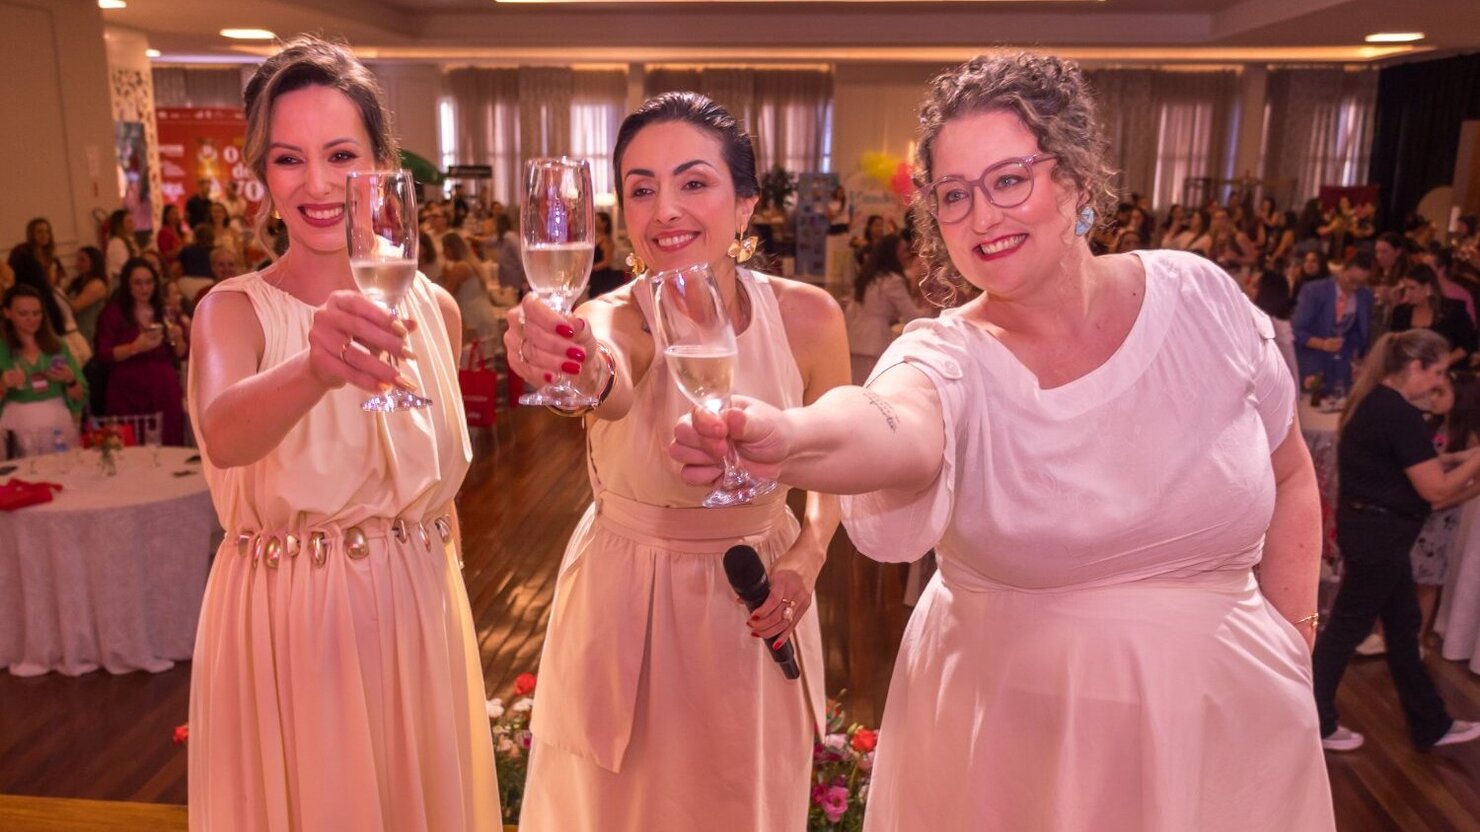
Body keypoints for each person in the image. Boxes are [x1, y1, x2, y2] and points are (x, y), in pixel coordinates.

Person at [671, 52, 1334, 831]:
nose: (983, 216)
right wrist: (789, 434)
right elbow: (891, 425)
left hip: (1230, 733)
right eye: (954, 196)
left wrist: (1294, 644)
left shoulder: (1200, 297)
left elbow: (1291, 473)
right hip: (1017, 752)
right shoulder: (946, 356)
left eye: (1009, 180)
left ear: (1078, 181)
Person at [505, 91, 848, 831]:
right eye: (641, 188)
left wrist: (810, 556)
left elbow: (833, 464)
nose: (665, 209)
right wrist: (572, 366)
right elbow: (606, 380)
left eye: (693, 183)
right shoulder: (615, 316)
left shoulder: (810, 318)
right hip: (629, 605)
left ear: (746, 203)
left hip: (759, 597)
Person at [183, 35, 498, 831]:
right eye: (289, 159)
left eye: (341, 154)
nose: (318, 184)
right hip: (294, 632)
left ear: (384, 166)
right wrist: (313, 370)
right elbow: (223, 434)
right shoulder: (233, 311)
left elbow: (436, 492)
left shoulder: (435, 308)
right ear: (262, 174)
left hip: (421, 613)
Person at [1311, 330, 1480, 752]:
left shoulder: (1377, 405)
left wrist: (1462, 463)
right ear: (1414, 367)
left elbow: (1413, 467)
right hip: (1379, 539)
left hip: (1374, 534)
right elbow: (1435, 491)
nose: (1441, 383)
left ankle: (1430, 723)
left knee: (1403, 632)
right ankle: (1315, 721)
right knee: (1346, 631)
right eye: (1437, 371)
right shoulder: (1396, 412)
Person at [94, 257, 186, 444]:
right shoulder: (113, 313)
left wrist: (178, 338)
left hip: (163, 386)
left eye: (149, 282)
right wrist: (134, 347)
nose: (144, 289)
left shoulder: (165, 311)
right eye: (138, 283)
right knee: (131, 443)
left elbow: (182, 353)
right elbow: (104, 354)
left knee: (168, 440)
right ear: (127, 285)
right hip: (126, 389)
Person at [0, 284, 85, 454]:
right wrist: (3, 384)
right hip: (17, 425)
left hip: (57, 423)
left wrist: (70, 380)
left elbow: (80, 395)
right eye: (23, 314)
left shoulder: (58, 346)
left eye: (37, 313)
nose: (32, 319)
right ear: (7, 313)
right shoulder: (2, 349)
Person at [845, 233, 929, 386]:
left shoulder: (868, 277)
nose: (907, 255)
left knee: (856, 388)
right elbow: (913, 316)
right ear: (893, 253)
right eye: (904, 251)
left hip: (854, 338)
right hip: (875, 340)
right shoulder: (892, 281)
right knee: (870, 390)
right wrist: (933, 307)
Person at [1292, 250, 1375, 391]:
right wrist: (1323, 344)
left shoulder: (1365, 295)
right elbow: (1297, 331)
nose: (1355, 287)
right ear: (1342, 271)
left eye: (1361, 283)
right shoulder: (1313, 291)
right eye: (1352, 280)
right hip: (1313, 363)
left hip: (1344, 369)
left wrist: (1358, 357)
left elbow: (1360, 335)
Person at [1390, 263, 1478, 366]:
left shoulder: (1452, 310)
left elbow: (1469, 343)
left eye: (1412, 288)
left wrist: (1444, 362)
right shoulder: (1401, 312)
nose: (1407, 293)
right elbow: (1394, 346)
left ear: (1428, 287)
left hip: (1448, 371)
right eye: (1405, 288)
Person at [439, 231, 500, 345]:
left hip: (472, 317)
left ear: (450, 249)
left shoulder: (460, 267)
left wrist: (444, 273)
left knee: (472, 357)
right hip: (483, 312)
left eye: (444, 248)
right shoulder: (473, 263)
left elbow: (447, 295)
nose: (443, 252)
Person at [67, 246, 109, 344]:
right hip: (77, 330)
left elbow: (75, 307)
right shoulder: (77, 282)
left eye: (82, 260)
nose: (78, 263)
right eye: (77, 259)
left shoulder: (98, 284)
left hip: (90, 332)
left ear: (94, 263)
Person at [587, 210, 624, 296]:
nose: (594, 223)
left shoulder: (607, 241)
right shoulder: (594, 239)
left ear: (604, 224)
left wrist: (591, 268)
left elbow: (607, 262)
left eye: (597, 221)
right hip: (595, 277)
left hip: (603, 277)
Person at [104, 209, 140, 280]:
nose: (133, 224)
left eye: (132, 221)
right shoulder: (116, 243)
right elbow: (124, 266)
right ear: (120, 225)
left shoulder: (130, 241)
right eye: (129, 222)